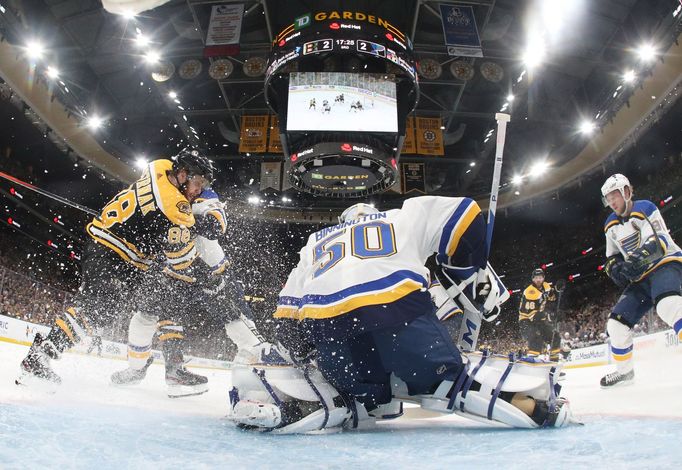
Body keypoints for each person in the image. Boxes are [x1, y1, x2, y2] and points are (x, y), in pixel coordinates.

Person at [229, 198, 572, 433]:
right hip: (396, 312)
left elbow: (287, 311)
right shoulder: (401, 216)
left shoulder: (315, 241)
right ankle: (537, 407)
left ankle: (286, 409)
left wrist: (303, 356)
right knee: (448, 384)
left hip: (330, 324)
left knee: (349, 395)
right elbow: (465, 213)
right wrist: (467, 268)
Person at [16, 148, 214, 387]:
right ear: (182, 174)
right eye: (197, 182)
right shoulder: (175, 207)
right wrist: (208, 269)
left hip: (121, 253)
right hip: (113, 253)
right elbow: (181, 260)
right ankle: (40, 357)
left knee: (162, 299)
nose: (199, 190)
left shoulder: (159, 167)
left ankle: (166, 367)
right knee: (100, 306)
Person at [111, 189, 286, 397]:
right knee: (148, 313)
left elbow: (216, 226)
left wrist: (182, 222)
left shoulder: (205, 195)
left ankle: (260, 380)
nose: (195, 185)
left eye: (198, 180)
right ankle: (144, 368)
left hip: (210, 271)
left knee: (236, 319)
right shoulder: (163, 196)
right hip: (173, 270)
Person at [600, 174, 682, 387]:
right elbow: (612, 257)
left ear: (627, 192)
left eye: (614, 196)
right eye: (607, 198)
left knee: (668, 305)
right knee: (615, 325)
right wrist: (615, 268)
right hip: (641, 278)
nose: (611, 202)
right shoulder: (610, 225)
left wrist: (635, 259)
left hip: (665, 264)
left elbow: (658, 240)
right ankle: (625, 372)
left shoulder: (645, 208)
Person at [518, 268, 561, 361]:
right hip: (526, 320)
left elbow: (551, 298)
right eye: (536, 278)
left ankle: (553, 364)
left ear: (543, 278)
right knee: (536, 337)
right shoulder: (530, 291)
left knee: (555, 337)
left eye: (540, 277)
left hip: (539, 318)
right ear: (532, 279)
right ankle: (530, 361)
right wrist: (550, 315)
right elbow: (532, 314)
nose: (538, 280)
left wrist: (557, 292)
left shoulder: (546, 286)